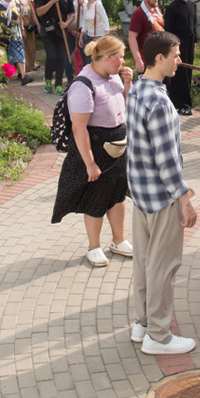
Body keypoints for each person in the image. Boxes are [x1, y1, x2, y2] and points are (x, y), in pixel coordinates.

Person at [125, 31, 199, 355]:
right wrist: (185, 199)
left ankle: (141, 325)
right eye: (176, 54)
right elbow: (167, 161)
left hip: (140, 195)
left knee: (143, 263)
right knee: (163, 266)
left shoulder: (137, 91)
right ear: (160, 58)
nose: (179, 60)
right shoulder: (159, 102)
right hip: (162, 197)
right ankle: (159, 335)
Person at [51, 35, 133, 267]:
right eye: (120, 56)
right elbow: (79, 129)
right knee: (96, 198)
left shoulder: (113, 76)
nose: (123, 61)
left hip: (118, 145)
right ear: (108, 57)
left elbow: (121, 107)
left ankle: (119, 240)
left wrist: (127, 86)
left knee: (117, 194)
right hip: (96, 147)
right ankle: (94, 246)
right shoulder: (83, 85)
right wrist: (89, 163)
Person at [35, 0, 77, 94]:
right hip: (48, 32)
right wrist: (52, 2)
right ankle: (48, 79)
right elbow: (39, 12)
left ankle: (58, 84)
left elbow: (72, 14)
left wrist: (66, 23)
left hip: (61, 32)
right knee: (52, 56)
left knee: (61, 58)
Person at [164, 0, 197, 116]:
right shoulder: (173, 8)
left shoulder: (193, 5)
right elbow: (169, 30)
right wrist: (173, 47)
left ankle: (185, 102)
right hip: (178, 45)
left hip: (189, 44)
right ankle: (181, 103)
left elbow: (193, 24)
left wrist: (194, 39)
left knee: (187, 73)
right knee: (179, 74)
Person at [0, 0, 32, 85]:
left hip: (16, 33)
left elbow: (20, 17)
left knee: (20, 53)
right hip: (3, 33)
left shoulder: (17, 3)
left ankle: (23, 76)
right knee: (4, 55)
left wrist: (22, 29)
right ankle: (3, 76)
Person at [128, 0, 165, 75]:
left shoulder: (157, 10)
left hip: (159, 56)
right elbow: (132, 38)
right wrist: (138, 60)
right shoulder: (139, 13)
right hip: (146, 58)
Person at [78, 0, 111, 66]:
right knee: (88, 59)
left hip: (99, 36)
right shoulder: (85, 5)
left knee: (98, 59)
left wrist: (106, 35)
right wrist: (81, 36)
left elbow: (105, 19)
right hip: (89, 36)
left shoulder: (97, 5)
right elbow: (85, 22)